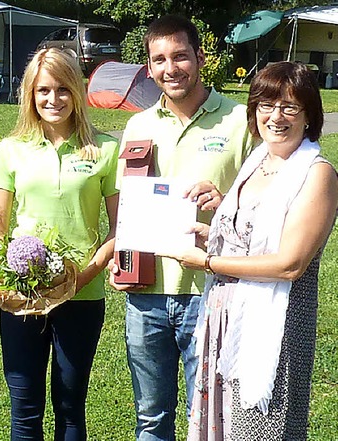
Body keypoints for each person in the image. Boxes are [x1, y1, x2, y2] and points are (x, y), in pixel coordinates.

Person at [160, 61, 338, 440]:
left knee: (260, 429)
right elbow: (254, 239)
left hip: (275, 326)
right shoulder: (258, 161)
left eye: (290, 107)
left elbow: (290, 264)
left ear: (309, 115)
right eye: (265, 105)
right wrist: (213, 236)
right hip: (226, 320)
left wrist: (207, 261)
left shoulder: (317, 173)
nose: (276, 117)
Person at [108, 15, 255, 440]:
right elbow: (129, 210)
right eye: (159, 60)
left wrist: (227, 203)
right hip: (146, 296)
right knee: (151, 419)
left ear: (200, 57)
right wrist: (122, 261)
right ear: (149, 68)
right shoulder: (139, 125)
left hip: (213, 289)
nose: (170, 68)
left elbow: (267, 202)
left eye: (180, 56)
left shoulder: (238, 121)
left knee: (207, 419)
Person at [0, 48, 120, 440]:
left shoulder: (105, 149)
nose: (53, 99)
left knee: (70, 406)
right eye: (44, 90)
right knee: (24, 408)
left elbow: (119, 227)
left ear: (77, 91)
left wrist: (83, 276)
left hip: (82, 294)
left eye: (63, 89)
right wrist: (8, 280)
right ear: (30, 94)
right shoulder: (12, 149)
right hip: (22, 297)